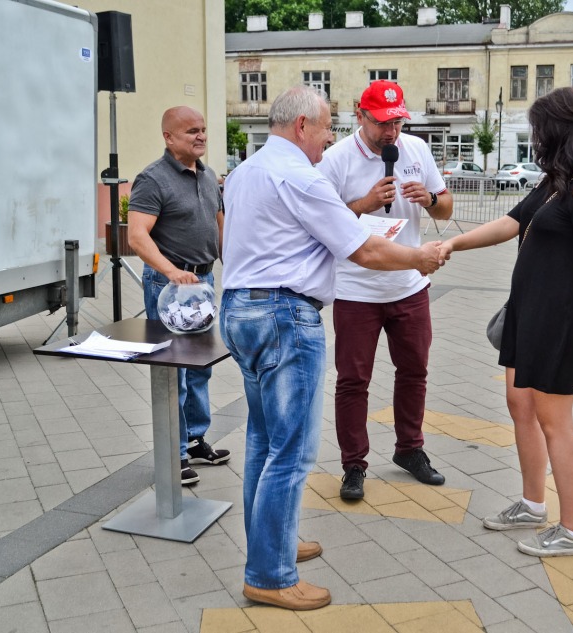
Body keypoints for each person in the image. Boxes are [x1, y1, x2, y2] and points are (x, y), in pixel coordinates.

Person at [220, 85, 442, 610]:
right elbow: (364, 249)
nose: (329, 137)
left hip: (241, 309)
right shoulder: (301, 177)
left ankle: (272, 542)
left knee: (263, 441)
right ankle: (270, 576)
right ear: (302, 126)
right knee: (291, 451)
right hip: (284, 317)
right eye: (325, 128)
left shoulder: (247, 171)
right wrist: (419, 258)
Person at [438, 87, 573, 557]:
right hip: (528, 313)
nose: (535, 137)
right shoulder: (556, 180)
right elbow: (510, 223)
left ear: (560, 128)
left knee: (555, 422)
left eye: (539, 128)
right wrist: (452, 244)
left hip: (561, 323)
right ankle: (533, 504)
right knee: (520, 405)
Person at [316, 80, 454, 500]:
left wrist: (430, 199)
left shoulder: (416, 150)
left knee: (414, 371)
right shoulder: (336, 159)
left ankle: (409, 449)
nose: (391, 132)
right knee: (353, 380)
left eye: (397, 122)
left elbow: (446, 208)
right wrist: (363, 203)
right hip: (356, 289)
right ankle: (353, 464)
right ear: (360, 116)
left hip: (409, 285)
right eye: (382, 123)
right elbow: (319, 220)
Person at [128, 106, 231, 485]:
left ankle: (195, 438)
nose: (201, 136)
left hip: (202, 283)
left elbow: (220, 229)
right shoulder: (152, 179)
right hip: (169, 286)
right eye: (191, 131)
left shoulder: (207, 176)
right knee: (175, 373)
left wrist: (236, 269)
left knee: (200, 366)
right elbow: (137, 236)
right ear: (169, 137)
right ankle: (175, 453)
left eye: (202, 129)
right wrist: (171, 271)